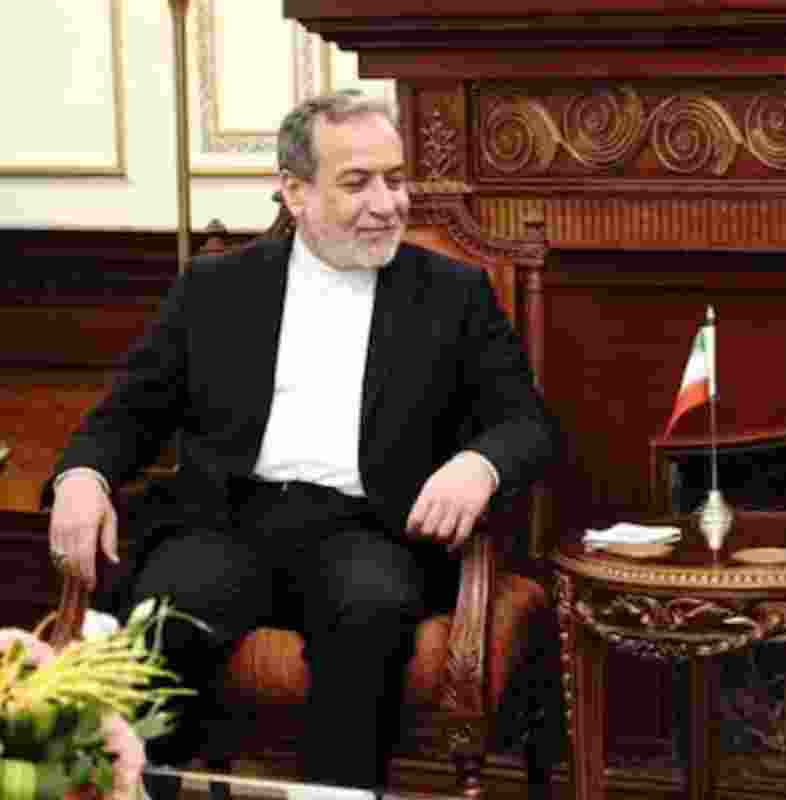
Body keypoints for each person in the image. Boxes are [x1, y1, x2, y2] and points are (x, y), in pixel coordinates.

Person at [44, 90, 558, 790]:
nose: (387, 202)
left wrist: (478, 464)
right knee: (165, 622)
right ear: (295, 192)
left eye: (395, 178)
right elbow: (128, 412)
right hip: (226, 521)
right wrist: (83, 478)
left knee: (369, 617)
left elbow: (526, 421)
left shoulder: (453, 294)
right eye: (357, 182)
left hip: (368, 529)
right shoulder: (216, 287)